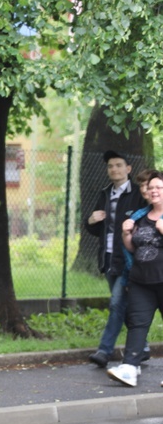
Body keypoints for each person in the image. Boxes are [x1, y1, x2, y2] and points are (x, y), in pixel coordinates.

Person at [86, 150, 146, 368]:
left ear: (128, 169)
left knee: (116, 304)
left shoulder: (138, 194)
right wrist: (90, 220)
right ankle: (144, 347)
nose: (114, 169)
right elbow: (96, 229)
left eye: (119, 165)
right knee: (124, 306)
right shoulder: (105, 193)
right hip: (108, 258)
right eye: (111, 166)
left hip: (129, 260)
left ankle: (104, 350)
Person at [107, 171, 163, 387]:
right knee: (137, 323)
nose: (154, 191)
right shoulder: (140, 215)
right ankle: (130, 368)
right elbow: (133, 248)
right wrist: (126, 235)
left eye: (159, 187)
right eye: (151, 187)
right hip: (141, 281)